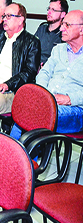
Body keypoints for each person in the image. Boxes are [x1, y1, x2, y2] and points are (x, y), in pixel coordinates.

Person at [10, 10, 83, 139]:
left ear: (81, 30)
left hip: (75, 110)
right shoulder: (58, 49)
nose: (61, 29)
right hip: (49, 102)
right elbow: (44, 72)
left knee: (36, 115)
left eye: (67, 25)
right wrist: (45, 94)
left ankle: (22, 157)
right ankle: (12, 156)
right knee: (25, 113)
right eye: (62, 24)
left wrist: (69, 99)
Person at [0, 3, 41, 115]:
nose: (4, 19)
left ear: (21, 20)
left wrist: (8, 84)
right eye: (4, 16)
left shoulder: (31, 42)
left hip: (7, 90)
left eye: (9, 16)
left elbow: (29, 72)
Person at [35, 0, 68, 66]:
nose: (49, 12)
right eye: (49, 9)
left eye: (53, 10)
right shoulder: (42, 28)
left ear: (63, 14)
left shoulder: (64, 34)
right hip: (35, 67)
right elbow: (32, 49)